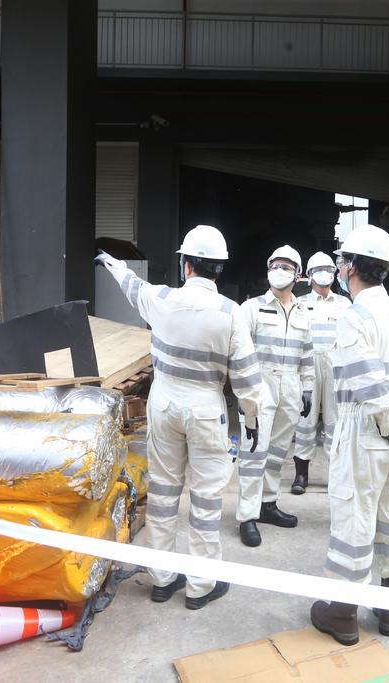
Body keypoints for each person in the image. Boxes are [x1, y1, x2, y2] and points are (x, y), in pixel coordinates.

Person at [96, 225, 270, 610]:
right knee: (206, 498)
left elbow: (131, 285)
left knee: (162, 491)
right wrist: (253, 421)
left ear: (186, 265)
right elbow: (248, 381)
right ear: (218, 270)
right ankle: (200, 586)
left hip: (164, 404)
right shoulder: (230, 313)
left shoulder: (162, 299)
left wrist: (111, 263)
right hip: (206, 410)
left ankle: (162, 579)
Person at [310, 225, 389, 645]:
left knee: (355, 520)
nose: (340, 269)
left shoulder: (353, 319)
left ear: (353, 268)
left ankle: (343, 614)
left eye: (343, 262)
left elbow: (368, 385)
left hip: (367, 435)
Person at [236, 245, 315, 547]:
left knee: (277, 453)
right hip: (259, 391)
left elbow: (306, 354)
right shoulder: (251, 308)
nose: (279, 271)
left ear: (298, 274)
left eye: (286, 266)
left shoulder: (303, 311)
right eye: (274, 265)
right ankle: (246, 516)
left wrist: (307, 389)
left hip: (291, 392)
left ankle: (267, 504)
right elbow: (239, 355)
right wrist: (245, 394)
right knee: (254, 454)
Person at [289, 252, 352, 495]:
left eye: (328, 268)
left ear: (335, 274)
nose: (324, 273)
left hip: (336, 366)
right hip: (309, 366)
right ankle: (301, 476)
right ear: (309, 275)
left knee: (335, 421)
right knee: (305, 420)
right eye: (319, 269)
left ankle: (335, 475)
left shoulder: (344, 304)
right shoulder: (300, 303)